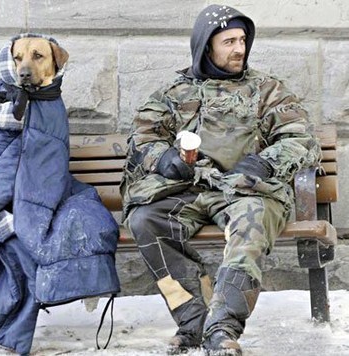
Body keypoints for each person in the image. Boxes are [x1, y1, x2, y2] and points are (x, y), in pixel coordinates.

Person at [120, 4, 321, 356]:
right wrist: (164, 159)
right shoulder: (174, 93)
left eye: (242, 40)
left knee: (251, 224)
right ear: (206, 46)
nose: (239, 49)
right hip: (189, 189)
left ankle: (223, 328)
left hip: (247, 191)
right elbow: (142, 137)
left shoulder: (267, 90)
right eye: (229, 41)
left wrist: (264, 162)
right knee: (144, 219)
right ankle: (192, 320)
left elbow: (300, 137)